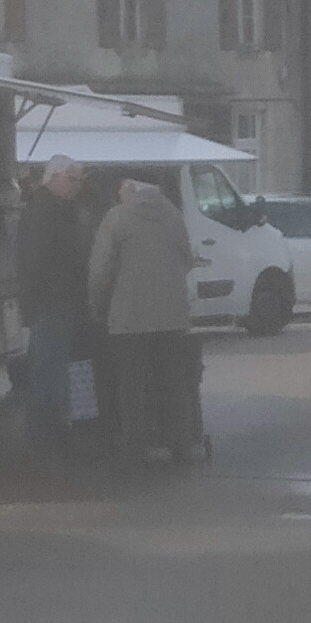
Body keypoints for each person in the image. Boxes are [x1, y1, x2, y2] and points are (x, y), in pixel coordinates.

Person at [88, 167, 199, 467]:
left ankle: (133, 451)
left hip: (129, 318)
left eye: (122, 188)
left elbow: (100, 271)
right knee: (174, 384)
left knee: (131, 387)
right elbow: (188, 260)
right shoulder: (174, 215)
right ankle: (182, 447)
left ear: (130, 186)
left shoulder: (117, 217)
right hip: (173, 319)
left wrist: (99, 306)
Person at [14, 158, 89, 457]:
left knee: (54, 368)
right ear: (53, 178)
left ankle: (51, 432)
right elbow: (39, 261)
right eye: (72, 179)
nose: (76, 186)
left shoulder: (56, 209)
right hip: (51, 303)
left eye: (78, 180)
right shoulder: (43, 211)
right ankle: (46, 436)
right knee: (49, 370)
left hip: (56, 303)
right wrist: (65, 289)